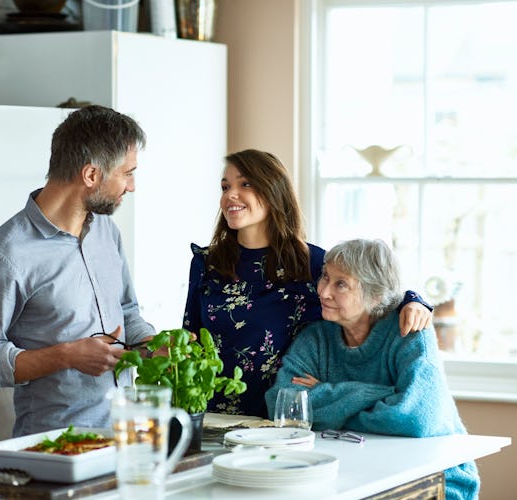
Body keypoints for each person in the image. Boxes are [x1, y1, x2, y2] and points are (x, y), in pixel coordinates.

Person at [183, 149, 433, 417]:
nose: (230, 194)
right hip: (212, 416)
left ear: (273, 191)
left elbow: (370, 293)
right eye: (225, 186)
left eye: (245, 184)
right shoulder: (206, 262)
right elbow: (190, 336)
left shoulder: (312, 262)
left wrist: (414, 300)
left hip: (286, 417)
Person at [0, 105, 155, 437]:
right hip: (53, 444)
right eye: (127, 172)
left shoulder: (107, 233)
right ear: (91, 175)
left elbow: (126, 310)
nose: (132, 186)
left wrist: (152, 344)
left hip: (121, 436)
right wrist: (67, 356)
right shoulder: (7, 254)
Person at [265, 238, 479, 500]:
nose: (323, 291)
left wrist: (325, 398)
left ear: (375, 294)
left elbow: (415, 418)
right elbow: (283, 405)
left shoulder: (410, 333)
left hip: (434, 477)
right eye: (325, 277)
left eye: (340, 284)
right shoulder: (316, 338)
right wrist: (379, 394)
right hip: (354, 473)